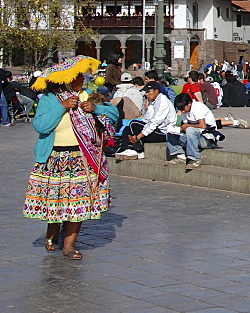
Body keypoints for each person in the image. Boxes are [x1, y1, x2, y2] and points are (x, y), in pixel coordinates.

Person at [23, 55, 119, 260]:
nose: (81, 80)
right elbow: (40, 126)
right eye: (76, 77)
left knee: (79, 203)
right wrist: (62, 107)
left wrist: (96, 109)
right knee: (55, 201)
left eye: (82, 77)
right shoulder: (50, 99)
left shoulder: (89, 96)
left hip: (81, 157)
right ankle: (52, 229)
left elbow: (113, 115)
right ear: (66, 79)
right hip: (54, 157)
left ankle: (69, 244)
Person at [116, 82, 175, 159]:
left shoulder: (163, 102)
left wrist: (138, 136)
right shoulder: (152, 102)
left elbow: (154, 123)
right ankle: (125, 149)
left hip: (163, 132)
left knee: (134, 124)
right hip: (153, 129)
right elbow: (146, 120)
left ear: (156, 91)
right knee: (128, 128)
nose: (146, 94)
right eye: (146, 92)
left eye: (148, 92)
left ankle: (139, 150)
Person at [166, 93, 216, 168]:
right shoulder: (185, 111)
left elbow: (203, 126)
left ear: (189, 104)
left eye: (183, 108)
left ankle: (195, 159)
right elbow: (185, 125)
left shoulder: (197, 107)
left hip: (207, 138)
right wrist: (178, 127)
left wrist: (187, 126)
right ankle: (180, 156)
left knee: (190, 130)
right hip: (193, 137)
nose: (182, 111)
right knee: (170, 131)